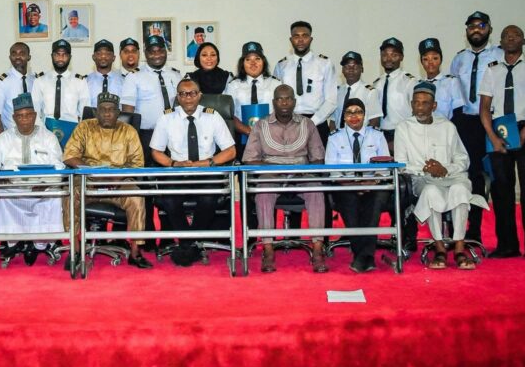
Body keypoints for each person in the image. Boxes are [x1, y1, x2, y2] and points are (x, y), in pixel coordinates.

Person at [394, 82, 487, 270]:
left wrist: (445, 169)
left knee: (460, 189)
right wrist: (426, 169)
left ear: (434, 106)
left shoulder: (447, 127)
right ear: (411, 105)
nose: (420, 108)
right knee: (431, 191)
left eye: (425, 103)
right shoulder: (403, 128)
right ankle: (439, 249)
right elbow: (401, 164)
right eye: (416, 103)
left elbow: (463, 159)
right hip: (421, 179)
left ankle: (459, 248)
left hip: (451, 177)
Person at [478, 25, 525, 260]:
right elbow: (484, 107)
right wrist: (492, 137)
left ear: (523, 40)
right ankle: (507, 245)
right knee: (501, 191)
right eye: (506, 36)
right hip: (499, 132)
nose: (510, 38)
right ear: (500, 42)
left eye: (515, 35)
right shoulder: (492, 70)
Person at [150, 78, 236, 266]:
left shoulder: (213, 116)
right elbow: (156, 151)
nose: (188, 97)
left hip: (206, 172)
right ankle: (192, 244)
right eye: (183, 94)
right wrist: (173, 163)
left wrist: (208, 162)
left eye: (192, 93)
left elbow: (230, 151)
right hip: (177, 172)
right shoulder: (166, 118)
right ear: (177, 97)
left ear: (200, 95)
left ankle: (186, 244)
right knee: (169, 198)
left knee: (209, 197)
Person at [242, 84, 326, 273]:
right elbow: (249, 159)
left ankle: (318, 249)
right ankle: (268, 250)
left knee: (316, 190)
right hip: (271, 172)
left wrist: (303, 170)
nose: (284, 102)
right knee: (263, 192)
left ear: (294, 102)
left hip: (301, 172)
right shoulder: (261, 125)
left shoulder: (307, 124)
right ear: (274, 102)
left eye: (288, 98)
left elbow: (318, 158)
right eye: (280, 99)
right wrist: (274, 168)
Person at [63, 91, 151, 268]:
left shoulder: (128, 131)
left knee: (137, 198)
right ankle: (76, 250)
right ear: (96, 112)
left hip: (119, 182)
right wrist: (92, 173)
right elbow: (70, 156)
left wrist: (116, 178)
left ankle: (135, 252)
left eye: (111, 110)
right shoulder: (84, 127)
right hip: (88, 180)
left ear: (118, 113)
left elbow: (137, 163)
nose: (107, 113)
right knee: (70, 195)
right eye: (103, 109)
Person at [0, 93, 66, 266]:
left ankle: (42, 244)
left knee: (55, 196)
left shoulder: (48, 137)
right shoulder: (4, 138)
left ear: (34, 116)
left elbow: (59, 165)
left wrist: (46, 183)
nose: (25, 119)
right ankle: (12, 242)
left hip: (41, 187)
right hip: (13, 187)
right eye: (20, 116)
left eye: (28, 115)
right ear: (14, 118)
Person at [449, 11, 504, 243]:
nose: (476, 30)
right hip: (467, 123)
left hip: (494, 122)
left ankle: (505, 240)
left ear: (489, 29)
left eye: (481, 25)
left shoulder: (501, 55)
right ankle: (473, 231)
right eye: (471, 26)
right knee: (470, 176)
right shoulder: (459, 59)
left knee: (498, 178)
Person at [325, 98, 391, 273]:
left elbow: (385, 167)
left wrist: (371, 182)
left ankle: (362, 256)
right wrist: (352, 184)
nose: (354, 116)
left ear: (365, 115)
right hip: (346, 186)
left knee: (373, 205)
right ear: (344, 117)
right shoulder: (334, 138)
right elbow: (332, 171)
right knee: (350, 204)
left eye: (358, 112)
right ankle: (365, 256)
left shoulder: (377, 135)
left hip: (373, 185)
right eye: (349, 112)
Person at [120, 34, 182, 166]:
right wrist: (130, 140)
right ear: (145, 54)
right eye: (152, 52)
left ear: (166, 51)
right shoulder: (134, 77)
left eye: (160, 50)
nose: (156, 55)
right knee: (147, 173)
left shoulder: (176, 75)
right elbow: (127, 111)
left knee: (174, 171)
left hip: (175, 133)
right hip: (147, 135)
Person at [273, 21, 337, 145]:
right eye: (296, 36)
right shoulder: (281, 65)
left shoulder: (324, 64)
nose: (300, 40)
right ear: (291, 40)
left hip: (317, 122)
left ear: (311, 39)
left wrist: (312, 122)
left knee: (318, 157)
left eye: (305, 36)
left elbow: (331, 100)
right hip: (289, 123)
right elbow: (276, 98)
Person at [226, 41, 282, 143]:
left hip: (272, 136)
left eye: (257, 59)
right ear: (242, 63)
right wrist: (247, 130)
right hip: (241, 136)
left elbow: (281, 111)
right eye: (248, 59)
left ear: (263, 62)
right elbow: (229, 114)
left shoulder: (275, 84)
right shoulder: (233, 85)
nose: (253, 63)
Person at [371, 37, 417, 146]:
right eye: (385, 55)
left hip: (403, 134)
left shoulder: (410, 81)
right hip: (381, 135)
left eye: (394, 55)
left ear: (401, 57)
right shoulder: (376, 84)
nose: (388, 59)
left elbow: (416, 112)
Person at [31, 39, 90, 123]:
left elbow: (84, 113)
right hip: (46, 128)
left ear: (70, 57)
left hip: (72, 128)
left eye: (64, 55)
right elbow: (35, 111)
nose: (60, 58)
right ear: (52, 56)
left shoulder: (80, 82)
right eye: (57, 54)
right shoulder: (40, 80)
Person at [0, 42, 35, 135]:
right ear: (10, 57)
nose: (17, 57)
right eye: (14, 54)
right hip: (12, 135)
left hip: (35, 134)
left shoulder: (35, 80)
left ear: (29, 57)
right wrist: (4, 139)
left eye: (22, 53)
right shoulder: (2, 82)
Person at [331, 51, 382, 132]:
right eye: (347, 66)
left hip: (360, 137)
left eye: (355, 66)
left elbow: (374, 121)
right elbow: (333, 120)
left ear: (362, 69)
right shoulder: (337, 91)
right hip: (339, 137)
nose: (351, 70)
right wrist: (333, 137)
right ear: (342, 70)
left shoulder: (370, 92)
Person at [417, 38, 463, 121]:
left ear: (441, 60)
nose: (430, 62)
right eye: (426, 59)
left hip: (447, 127)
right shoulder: (417, 85)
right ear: (421, 62)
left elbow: (459, 114)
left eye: (435, 58)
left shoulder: (452, 82)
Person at [86, 39, 124, 107]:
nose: (103, 56)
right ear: (93, 57)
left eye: (108, 53)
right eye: (99, 53)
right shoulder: (85, 82)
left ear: (114, 58)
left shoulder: (123, 81)